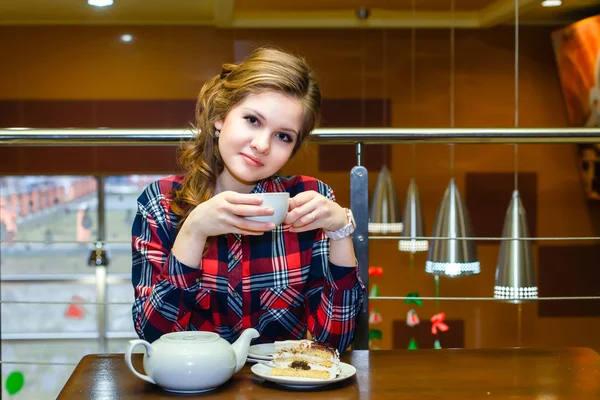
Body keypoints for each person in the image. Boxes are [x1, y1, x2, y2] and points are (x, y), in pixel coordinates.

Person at [131, 47, 365, 353]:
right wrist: (193, 231)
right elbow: (153, 336)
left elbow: (335, 341)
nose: (262, 145)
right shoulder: (161, 202)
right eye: (252, 120)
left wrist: (340, 231)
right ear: (219, 118)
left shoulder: (309, 202)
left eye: (284, 136)